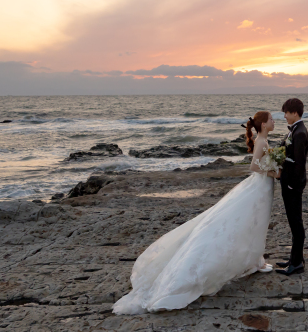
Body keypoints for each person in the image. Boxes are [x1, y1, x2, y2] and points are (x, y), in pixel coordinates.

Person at [113, 111, 280, 314]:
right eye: (271, 119)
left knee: (256, 222)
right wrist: (274, 172)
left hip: (262, 186)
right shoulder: (262, 141)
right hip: (259, 186)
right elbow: (254, 166)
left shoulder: (264, 139)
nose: (274, 121)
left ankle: (255, 259)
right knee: (249, 221)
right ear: (263, 124)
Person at [275, 98, 308, 276]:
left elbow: (299, 164)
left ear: (294, 113)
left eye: (286, 113)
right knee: (293, 222)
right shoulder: (295, 131)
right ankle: (295, 258)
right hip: (289, 183)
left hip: (292, 186)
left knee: (296, 223)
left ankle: (296, 264)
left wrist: (291, 185)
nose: (284, 116)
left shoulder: (300, 133)